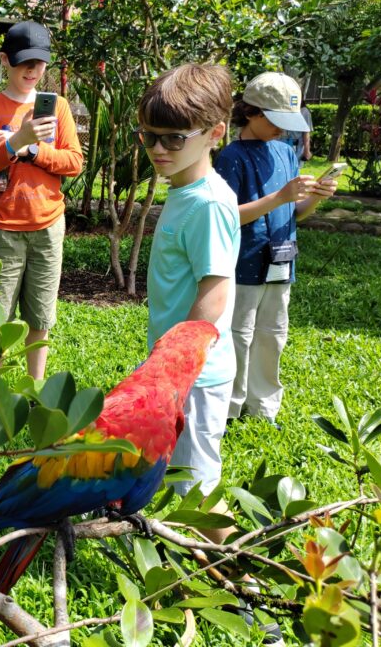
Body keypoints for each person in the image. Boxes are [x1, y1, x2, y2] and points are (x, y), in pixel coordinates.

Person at [138, 63, 239, 508]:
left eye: (174, 139)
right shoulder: (188, 190)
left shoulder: (207, 203)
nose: (158, 148)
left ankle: (239, 554)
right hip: (177, 370)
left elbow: (214, 294)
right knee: (172, 476)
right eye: (149, 136)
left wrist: (174, 372)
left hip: (195, 376)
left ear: (215, 133)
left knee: (197, 492)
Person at [215, 73, 337, 425]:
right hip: (243, 264)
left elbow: (295, 212)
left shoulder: (286, 152)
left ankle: (262, 408)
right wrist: (280, 197)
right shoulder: (231, 157)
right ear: (251, 112)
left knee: (273, 335)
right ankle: (229, 408)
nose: (282, 130)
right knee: (239, 335)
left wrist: (316, 197)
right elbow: (227, 217)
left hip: (282, 261)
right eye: (275, 121)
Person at [0, 20, 83, 379]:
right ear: (5, 60)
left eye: (39, 63)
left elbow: (74, 162)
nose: (32, 71)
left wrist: (32, 151)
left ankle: (35, 388)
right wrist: (16, 140)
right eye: (23, 63)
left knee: (40, 318)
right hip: (0, 230)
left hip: (47, 228)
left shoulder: (58, 107)